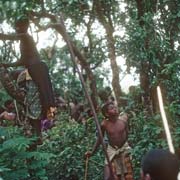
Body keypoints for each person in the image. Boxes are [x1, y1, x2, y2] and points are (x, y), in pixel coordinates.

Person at [0, 17, 56, 120]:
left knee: (41, 97)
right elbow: (22, 61)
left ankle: (44, 119)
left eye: (18, 26)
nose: (16, 28)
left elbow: (10, 37)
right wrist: (6, 65)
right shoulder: (23, 41)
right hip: (31, 70)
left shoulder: (26, 37)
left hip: (37, 69)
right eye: (15, 27)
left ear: (25, 27)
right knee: (34, 96)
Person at [85, 101, 133, 180]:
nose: (115, 109)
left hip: (124, 148)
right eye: (112, 108)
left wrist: (129, 147)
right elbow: (100, 139)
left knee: (128, 174)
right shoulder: (104, 124)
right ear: (107, 114)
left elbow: (127, 135)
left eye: (115, 107)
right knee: (107, 176)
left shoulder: (123, 121)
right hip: (112, 149)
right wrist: (92, 152)